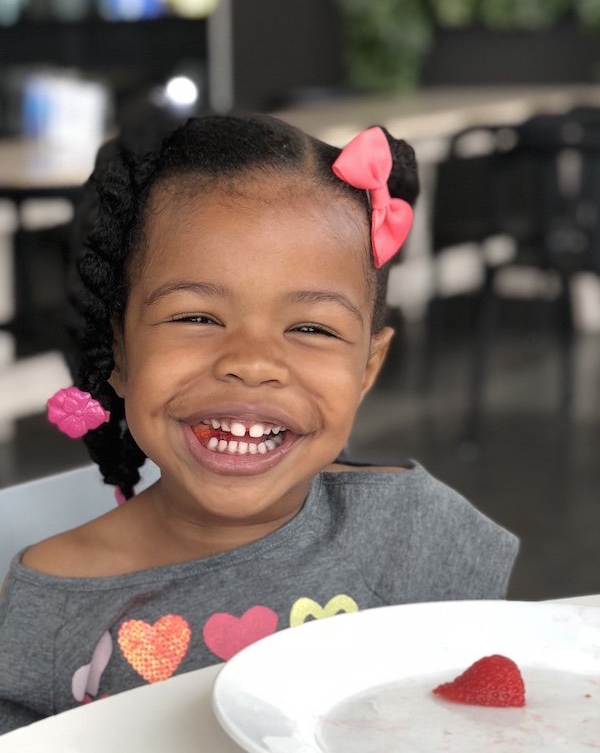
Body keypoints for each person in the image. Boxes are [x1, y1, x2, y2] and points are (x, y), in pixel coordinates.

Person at [0, 114, 518, 734]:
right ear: (120, 352)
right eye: (195, 317)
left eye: (311, 328)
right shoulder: (55, 598)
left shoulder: (420, 533)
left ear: (367, 367)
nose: (251, 363)